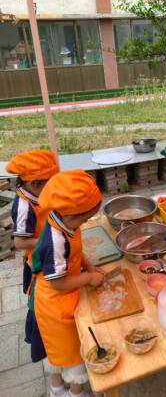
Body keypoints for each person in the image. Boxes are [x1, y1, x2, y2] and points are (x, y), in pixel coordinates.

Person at [29, 170, 105, 397]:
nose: (86, 222)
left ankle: (56, 389)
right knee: (71, 353)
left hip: (59, 290)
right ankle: (74, 392)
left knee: (56, 349)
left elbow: (76, 251)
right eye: (84, 218)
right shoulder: (56, 240)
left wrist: (90, 267)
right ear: (70, 215)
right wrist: (89, 279)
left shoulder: (63, 222)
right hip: (54, 300)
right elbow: (59, 283)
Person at [6, 149, 59, 294]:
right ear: (34, 183)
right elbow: (20, 243)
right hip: (38, 259)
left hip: (51, 249)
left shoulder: (39, 193)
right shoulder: (24, 208)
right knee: (40, 297)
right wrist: (54, 239)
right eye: (50, 185)